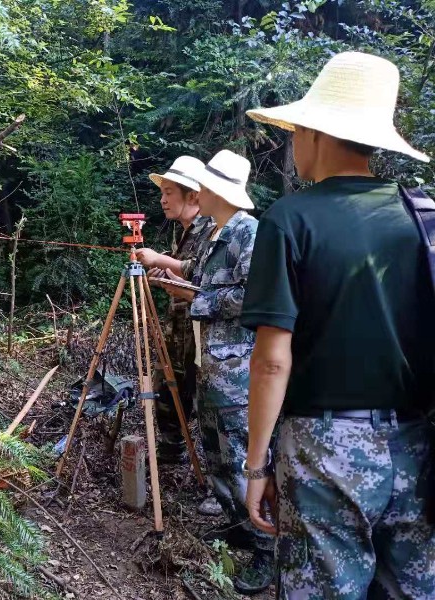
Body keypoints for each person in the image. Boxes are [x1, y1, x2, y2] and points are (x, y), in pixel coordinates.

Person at [241, 51, 435, 599]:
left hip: (323, 450)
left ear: (314, 132)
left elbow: (272, 359)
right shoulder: (422, 217)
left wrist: (257, 467)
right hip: (415, 445)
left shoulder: (290, 219)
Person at [156, 149, 275, 595]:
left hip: (238, 369)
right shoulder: (217, 233)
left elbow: (255, 295)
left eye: (202, 186)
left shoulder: (251, 233)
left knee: (243, 457)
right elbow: (201, 274)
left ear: (218, 191)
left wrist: (195, 300)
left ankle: (267, 548)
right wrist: (175, 277)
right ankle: (239, 525)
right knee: (218, 455)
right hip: (210, 364)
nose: (196, 193)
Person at [135, 157, 215, 473]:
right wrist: (163, 270)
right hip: (176, 331)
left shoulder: (210, 231)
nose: (162, 199)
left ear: (192, 196)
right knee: (167, 390)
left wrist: (164, 264)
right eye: (162, 192)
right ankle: (170, 454)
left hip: (201, 335)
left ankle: (216, 479)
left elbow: (205, 288)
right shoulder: (182, 232)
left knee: (207, 406)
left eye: (169, 192)